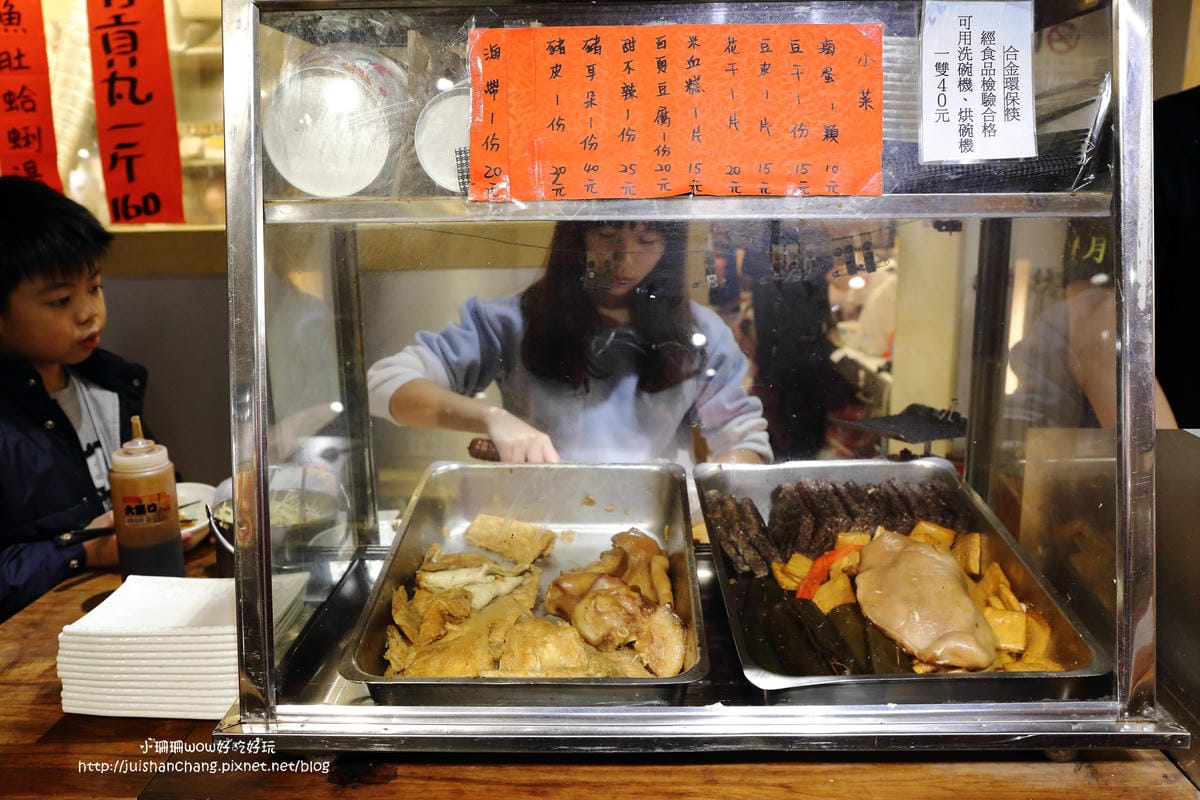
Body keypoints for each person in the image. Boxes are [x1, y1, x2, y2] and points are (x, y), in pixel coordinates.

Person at [367, 220, 772, 470]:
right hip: (541, 516)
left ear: (669, 249)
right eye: (606, 235)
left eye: (647, 240)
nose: (624, 261)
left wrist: (726, 478)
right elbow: (384, 385)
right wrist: (493, 417)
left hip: (660, 525)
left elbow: (743, 440)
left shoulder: (701, 331)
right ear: (575, 237)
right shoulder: (510, 320)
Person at [0, 176, 151, 622]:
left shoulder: (109, 384)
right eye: (61, 300)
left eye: (95, 286)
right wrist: (80, 552)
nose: (89, 312)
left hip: (125, 609)